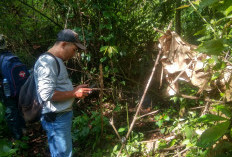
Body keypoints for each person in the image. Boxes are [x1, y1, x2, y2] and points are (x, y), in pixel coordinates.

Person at [34, 29, 92, 157]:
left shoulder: (55, 60)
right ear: (64, 44)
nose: (75, 53)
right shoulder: (48, 61)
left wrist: (75, 89)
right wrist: (73, 93)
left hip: (60, 116)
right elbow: (46, 94)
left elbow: (55, 86)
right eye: (74, 49)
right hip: (56, 118)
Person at [0, 34, 27, 140]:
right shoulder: (10, 56)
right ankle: (24, 130)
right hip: (19, 89)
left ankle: (18, 138)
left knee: (11, 112)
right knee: (17, 109)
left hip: (7, 91)